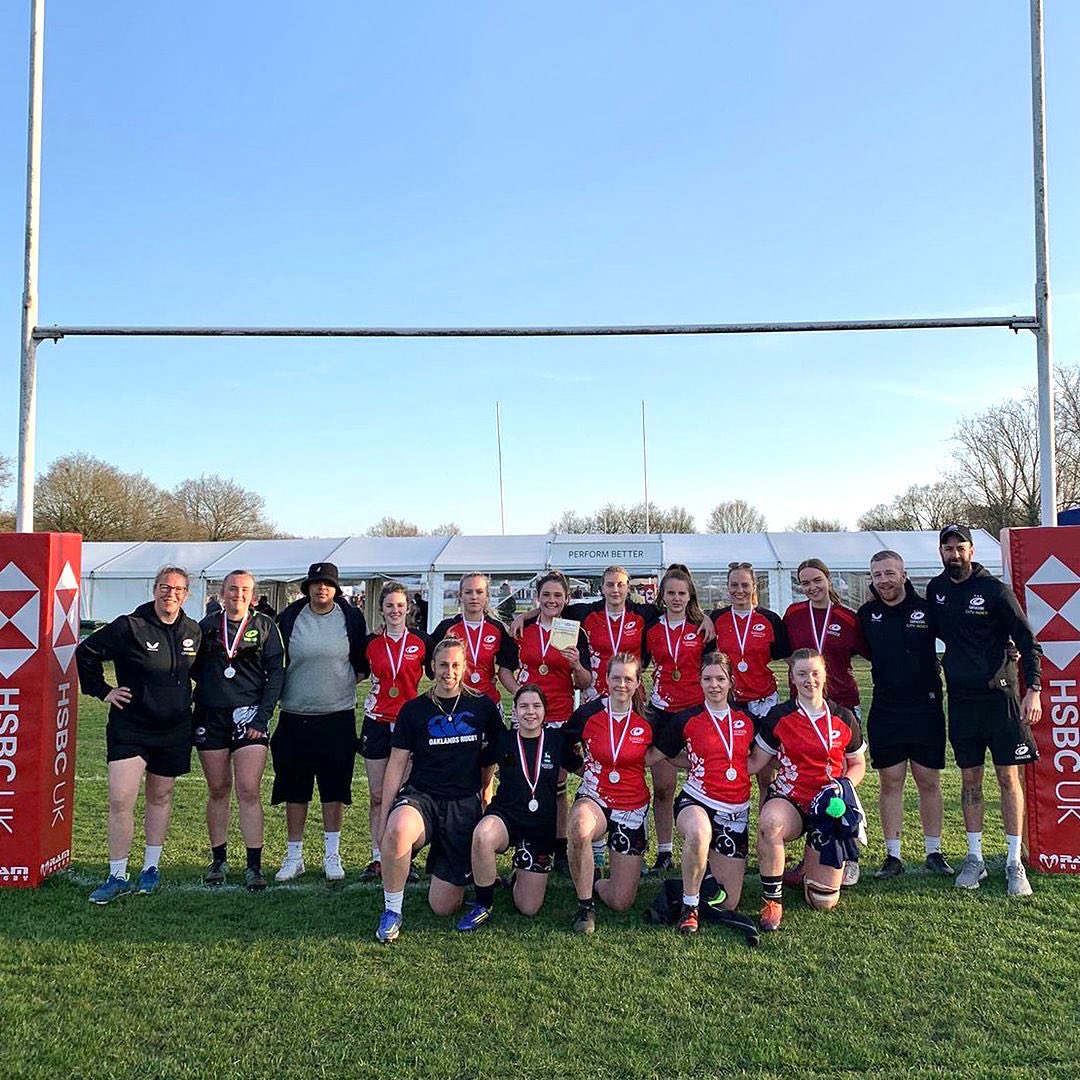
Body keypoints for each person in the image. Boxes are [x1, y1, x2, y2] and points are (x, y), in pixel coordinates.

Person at [928, 525, 1043, 896]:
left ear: (972, 551)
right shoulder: (936, 590)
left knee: (1008, 778)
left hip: (1000, 699)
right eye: (948, 548)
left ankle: (1013, 862)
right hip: (962, 702)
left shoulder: (995, 590)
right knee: (970, 780)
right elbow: (938, 631)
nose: (954, 554)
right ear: (941, 552)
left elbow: (1027, 639)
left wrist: (1034, 690)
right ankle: (974, 858)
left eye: (960, 548)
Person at [76, 567, 202, 903]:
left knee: (160, 796)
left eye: (178, 589)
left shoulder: (193, 630)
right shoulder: (130, 626)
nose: (170, 594)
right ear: (155, 589)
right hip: (131, 726)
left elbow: (201, 672)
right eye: (165, 587)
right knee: (121, 799)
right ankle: (117, 874)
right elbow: (86, 652)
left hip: (174, 728)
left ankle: (151, 868)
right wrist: (103, 690)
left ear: (186, 594)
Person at [375, 637, 506, 943]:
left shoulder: (482, 707)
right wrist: (383, 819)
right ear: (432, 667)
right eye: (443, 665)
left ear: (465, 667)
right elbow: (396, 765)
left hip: (463, 804)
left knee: (443, 907)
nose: (449, 671)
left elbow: (491, 758)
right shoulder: (414, 710)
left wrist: (486, 794)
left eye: (456, 665)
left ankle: (451, 866)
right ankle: (392, 911)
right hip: (422, 797)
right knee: (397, 829)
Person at [751, 648, 867, 932]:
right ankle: (772, 900)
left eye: (815, 673)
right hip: (790, 799)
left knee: (823, 901)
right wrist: (711, 763)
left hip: (828, 807)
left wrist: (843, 786)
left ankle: (806, 870)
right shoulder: (779, 716)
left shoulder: (843, 717)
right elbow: (755, 762)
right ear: (792, 677)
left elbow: (857, 764)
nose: (809, 680)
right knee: (770, 822)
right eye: (802, 674)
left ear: (825, 675)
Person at [857, 550, 952, 878]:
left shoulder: (926, 609)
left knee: (928, 780)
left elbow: (962, 636)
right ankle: (893, 856)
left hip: (926, 707)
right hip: (886, 708)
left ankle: (934, 851)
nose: (883, 580)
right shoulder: (866, 614)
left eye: (889, 573)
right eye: (877, 575)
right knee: (891, 781)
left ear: (903, 574)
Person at [652, 652, 761, 934]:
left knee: (728, 901)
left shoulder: (748, 719)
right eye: (707, 679)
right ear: (699, 682)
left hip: (734, 811)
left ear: (731, 682)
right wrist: (694, 762)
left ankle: (683, 885)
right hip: (696, 800)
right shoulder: (686, 719)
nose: (714, 685)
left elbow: (760, 757)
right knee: (699, 832)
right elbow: (662, 754)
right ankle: (689, 908)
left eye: (720, 679)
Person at [273, 562, 368, 883]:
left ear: (336, 588)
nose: (321, 588)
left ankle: (332, 854)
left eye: (327, 584)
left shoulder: (350, 617)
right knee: (295, 790)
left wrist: (336, 688)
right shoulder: (290, 617)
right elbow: (276, 661)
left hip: (337, 717)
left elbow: (361, 663)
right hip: (295, 716)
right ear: (307, 588)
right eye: (316, 584)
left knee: (334, 789)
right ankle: (294, 856)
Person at [192, 569, 285, 891]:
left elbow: (276, 674)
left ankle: (254, 865)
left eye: (245, 590)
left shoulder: (265, 626)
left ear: (253, 595)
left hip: (250, 716)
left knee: (248, 789)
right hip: (211, 715)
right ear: (222, 593)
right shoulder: (206, 626)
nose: (238, 595)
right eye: (233, 589)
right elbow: (192, 667)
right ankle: (218, 860)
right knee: (218, 789)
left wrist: (262, 718)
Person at [457, 685, 578, 929]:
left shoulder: (556, 741)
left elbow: (585, 768)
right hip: (506, 816)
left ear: (545, 711)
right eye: (523, 706)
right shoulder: (503, 740)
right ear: (514, 711)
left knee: (528, 907)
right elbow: (477, 763)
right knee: (482, 835)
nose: (530, 712)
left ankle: (518, 872)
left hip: (539, 827)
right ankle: (483, 904)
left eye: (536, 706)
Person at [783, 557, 868, 886]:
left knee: (844, 780)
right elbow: (784, 652)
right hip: (803, 709)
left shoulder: (847, 617)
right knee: (808, 780)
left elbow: (871, 651)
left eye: (817, 580)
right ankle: (812, 856)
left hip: (841, 706)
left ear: (828, 580)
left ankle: (849, 853)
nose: (812, 587)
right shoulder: (793, 614)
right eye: (805, 582)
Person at [563, 653, 660, 934]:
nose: (621, 684)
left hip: (632, 805)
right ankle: (585, 906)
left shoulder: (649, 718)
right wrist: (582, 769)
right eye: (616, 678)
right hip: (595, 797)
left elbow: (666, 750)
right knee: (580, 826)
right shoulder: (588, 714)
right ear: (605, 679)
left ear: (638, 682)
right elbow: (562, 745)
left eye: (628, 679)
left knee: (620, 902)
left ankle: (594, 879)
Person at [513, 570, 592, 870]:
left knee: (557, 782)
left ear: (567, 598)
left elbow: (584, 682)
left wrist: (576, 665)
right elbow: (505, 669)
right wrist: (521, 695)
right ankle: (529, 841)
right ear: (537, 597)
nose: (552, 600)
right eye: (546, 594)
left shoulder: (574, 631)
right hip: (528, 717)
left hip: (560, 714)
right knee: (527, 780)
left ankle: (558, 845)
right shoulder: (523, 629)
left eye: (558, 595)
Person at [358, 581, 428, 882]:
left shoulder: (422, 641)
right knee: (377, 795)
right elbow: (356, 672)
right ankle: (377, 857)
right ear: (381, 610)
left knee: (404, 796)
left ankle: (403, 856)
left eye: (400, 605)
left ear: (408, 608)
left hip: (408, 724)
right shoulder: (370, 643)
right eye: (389, 606)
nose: (395, 610)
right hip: (376, 722)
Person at [642, 564, 709, 873]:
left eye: (682, 593)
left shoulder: (703, 627)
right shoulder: (651, 628)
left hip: (696, 711)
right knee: (664, 786)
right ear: (662, 595)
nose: (676, 598)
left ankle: (708, 846)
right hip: (661, 711)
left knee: (705, 781)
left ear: (690, 595)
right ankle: (665, 852)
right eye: (671, 593)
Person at [707, 562, 789, 722]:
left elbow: (788, 658)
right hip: (728, 697)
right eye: (734, 585)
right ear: (727, 587)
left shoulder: (770, 619)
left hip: (762, 698)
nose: (739, 590)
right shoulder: (715, 618)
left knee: (763, 738)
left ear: (754, 587)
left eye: (745, 585)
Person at [428, 573, 519, 705]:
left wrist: (519, 692)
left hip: (488, 701)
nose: (474, 597)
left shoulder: (498, 629)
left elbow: (506, 668)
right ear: (460, 596)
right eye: (468, 592)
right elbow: (430, 663)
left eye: (479, 592)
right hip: (455, 702)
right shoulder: (446, 628)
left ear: (487, 596)